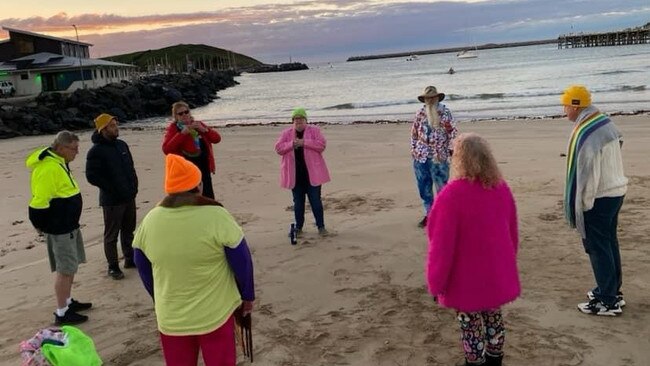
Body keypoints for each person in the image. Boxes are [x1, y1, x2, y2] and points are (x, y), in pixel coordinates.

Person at [132, 154, 255, 366]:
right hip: (214, 314)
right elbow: (242, 260)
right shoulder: (216, 215)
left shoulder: (151, 219)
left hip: (171, 316)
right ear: (197, 185)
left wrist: (158, 295)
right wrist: (247, 296)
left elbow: (141, 264)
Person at [425, 133, 520, 366]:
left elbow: (440, 246)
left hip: (465, 276)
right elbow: (512, 234)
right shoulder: (500, 188)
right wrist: (507, 264)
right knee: (493, 315)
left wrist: (436, 284)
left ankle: (475, 361)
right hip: (495, 271)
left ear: (459, 160)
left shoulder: (450, 196)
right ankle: (495, 359)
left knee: (470, 322)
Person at [561, 85, 628, 316]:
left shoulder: (587, 132)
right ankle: (612, 290)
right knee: (609, 242)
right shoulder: (603, 121)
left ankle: (607, 300)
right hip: (617, 190)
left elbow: (589, 173)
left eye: (566, 105)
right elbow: (619, 141)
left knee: (597, 247)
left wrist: (583, 205)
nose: (564, 109)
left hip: (600, 196)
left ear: (575, 105)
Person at [26, 131, 92, 325]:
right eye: (74, 148)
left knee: (71, 266)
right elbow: (38, 204)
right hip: (60, 228)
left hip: (69, 225)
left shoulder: (59, 162)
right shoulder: (48, 169)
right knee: (65, 270)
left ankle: (68, 301)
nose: (77, 152)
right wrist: (44, 227)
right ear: (62, 148)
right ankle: (62, 312)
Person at [86, 113, 139, 280]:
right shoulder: (96, 151)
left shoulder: (122, 145)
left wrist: (133, 186)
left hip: (129, 195)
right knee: (111, 235)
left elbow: (130, 167)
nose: (116, 128)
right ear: (103, 129)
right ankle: (113, 266)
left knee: (128, 230)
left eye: (116, 124)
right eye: (112, 126)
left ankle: (129, 258)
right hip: (112, 200)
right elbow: (92, 176)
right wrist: (112, 188)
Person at [274, 107, 331, 237]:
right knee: (298, 203)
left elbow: (321, 145)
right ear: (293, 121)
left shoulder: (315, 131)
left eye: (301, 118)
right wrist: (291, 145)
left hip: (313, 175)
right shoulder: (286, 133)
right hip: (295, 177)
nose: (298, 121)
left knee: (316, 201)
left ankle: (321, 227)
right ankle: (298, 228)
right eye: (296, 119)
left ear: (306, 120)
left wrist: (304, 142)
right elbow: (278, 148)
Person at [411, 85, 458, 228]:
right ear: (424, 100)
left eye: (433, 97)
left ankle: (444, 216)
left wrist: (451, 150)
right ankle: (429, 215)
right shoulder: (420, 113)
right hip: (421, 157)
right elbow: (413, 134)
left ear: (437, 98)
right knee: (424, 188)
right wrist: (414, 150)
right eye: (427, 98)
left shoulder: (445, 112)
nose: (430, 100)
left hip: (439, 158)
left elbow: (453, 133)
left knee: (442, 189)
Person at [162, 101, 221, 199]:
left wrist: (205, 130)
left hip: (204, 167)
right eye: (180, 114)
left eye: (186, 112)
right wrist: (182, 134)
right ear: (176, 117)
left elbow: (217, 139)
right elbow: (166, 149)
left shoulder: (198, 125)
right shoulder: (174, 129)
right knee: (191, 198)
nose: (184, 115)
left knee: (208, 197)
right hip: (186, 170)